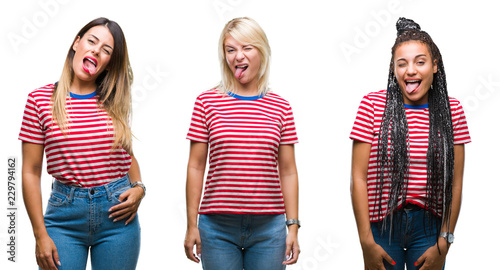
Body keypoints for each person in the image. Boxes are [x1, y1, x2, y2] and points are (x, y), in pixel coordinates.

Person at [19, 17, 144, 270]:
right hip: (63, 218)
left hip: (117, 217)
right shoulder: (39, 100)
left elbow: (126, 156)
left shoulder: (113, 101)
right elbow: (30, 172)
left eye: (106, 50)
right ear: (77, 43)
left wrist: (140, 188)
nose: (96, 50)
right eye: (92, 41)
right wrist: (40, 235)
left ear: (108, 64)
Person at [350, 17, 471, 270]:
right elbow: (358, 179)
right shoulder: (372, 106)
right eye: (402, 64)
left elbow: (456, 183)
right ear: (394, 69)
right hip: (382, 224)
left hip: (429, 226)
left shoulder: (453, 111)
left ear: (434, 66)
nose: (411, 70)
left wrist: (445, 241)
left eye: (420, 62)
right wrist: (366, 241)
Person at [183, 17, 300, 270]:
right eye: (230, 49)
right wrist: (192, 224)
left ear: (262, 50)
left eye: (247, 47)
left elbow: (288, 171)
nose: (238, 56)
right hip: (216, 228)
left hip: (269, 229)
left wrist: (293, 226)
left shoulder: (281, 107)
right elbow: (195, 167)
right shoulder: (206, 102)